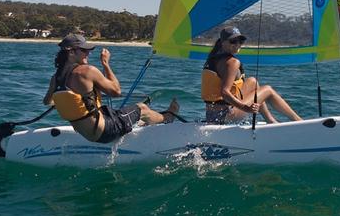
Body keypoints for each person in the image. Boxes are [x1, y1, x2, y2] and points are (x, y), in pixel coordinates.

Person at [43, 34, 179, 143]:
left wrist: (68, 102)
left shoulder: (56, 79)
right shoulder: (87, 71)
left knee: (128, 114)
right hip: (106, 132)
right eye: (84, 50)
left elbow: (48, 102)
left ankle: (143, 125)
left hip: (87, 135)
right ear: (71, 52)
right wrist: (106, 64)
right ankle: (168, 117)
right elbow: (116, 91)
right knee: (142, 108)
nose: (88, 54)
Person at [201, 26, 302, 124]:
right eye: (233, 41)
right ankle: (298, 121)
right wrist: (246, 108)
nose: (237, 44)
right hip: (226, 116)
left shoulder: (214, 58)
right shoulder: (232, 62)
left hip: (212, 115)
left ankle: (270, 120)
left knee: (253, 81)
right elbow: (225, 93)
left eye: (240, 41)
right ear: (223, 43)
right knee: (268, 90)